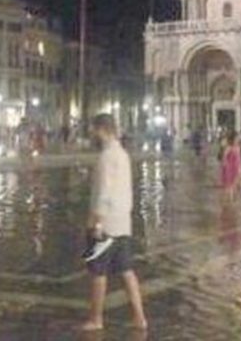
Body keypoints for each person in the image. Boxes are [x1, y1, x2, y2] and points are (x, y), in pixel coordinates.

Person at [80, 113, 147, 332]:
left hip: (105, 225)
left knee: (97, 273)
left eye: (93, 130)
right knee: (127, 270)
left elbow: (104, 192)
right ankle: (140, 317)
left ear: (102, 130)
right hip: (122, 224)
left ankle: (96, 319)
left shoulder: (106, 157)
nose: (91, 134)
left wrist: (96, 223)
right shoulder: (123, 154)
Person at [219, 130, 241, 202]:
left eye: (238, 138)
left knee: (235, 187)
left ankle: (231, 202)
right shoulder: (229, 148)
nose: (238, 140)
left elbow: (239, 160)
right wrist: (224, 167)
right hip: (230, 170)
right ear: (233, 139)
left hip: (236, 169)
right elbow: (224, 158)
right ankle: (228, 202)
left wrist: (240, 169)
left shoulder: (237, 147)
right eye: (237, 138)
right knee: (230, 187)